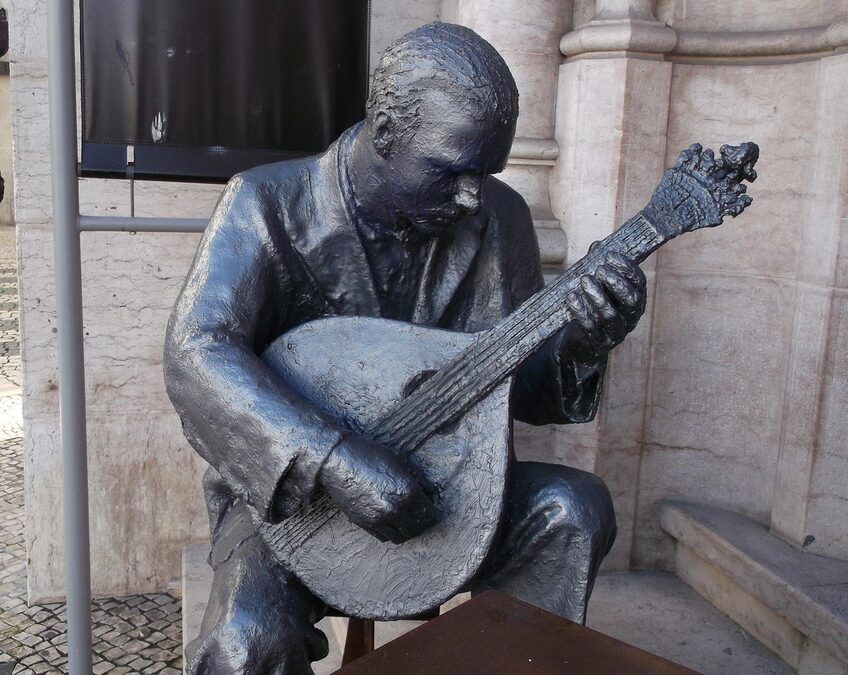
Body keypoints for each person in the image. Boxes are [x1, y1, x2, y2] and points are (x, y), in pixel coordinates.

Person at [165, 23, 646, 674]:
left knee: (572, 508)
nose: (472, 195)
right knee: (245, 640)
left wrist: (586, 336)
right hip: (293, 511)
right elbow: (196, 351)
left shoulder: (498, 218)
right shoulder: (266, 206)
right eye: (451, 172)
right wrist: (333, 459)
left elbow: (524, 386)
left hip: (453, 493)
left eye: (486, 172)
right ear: (386, 133)